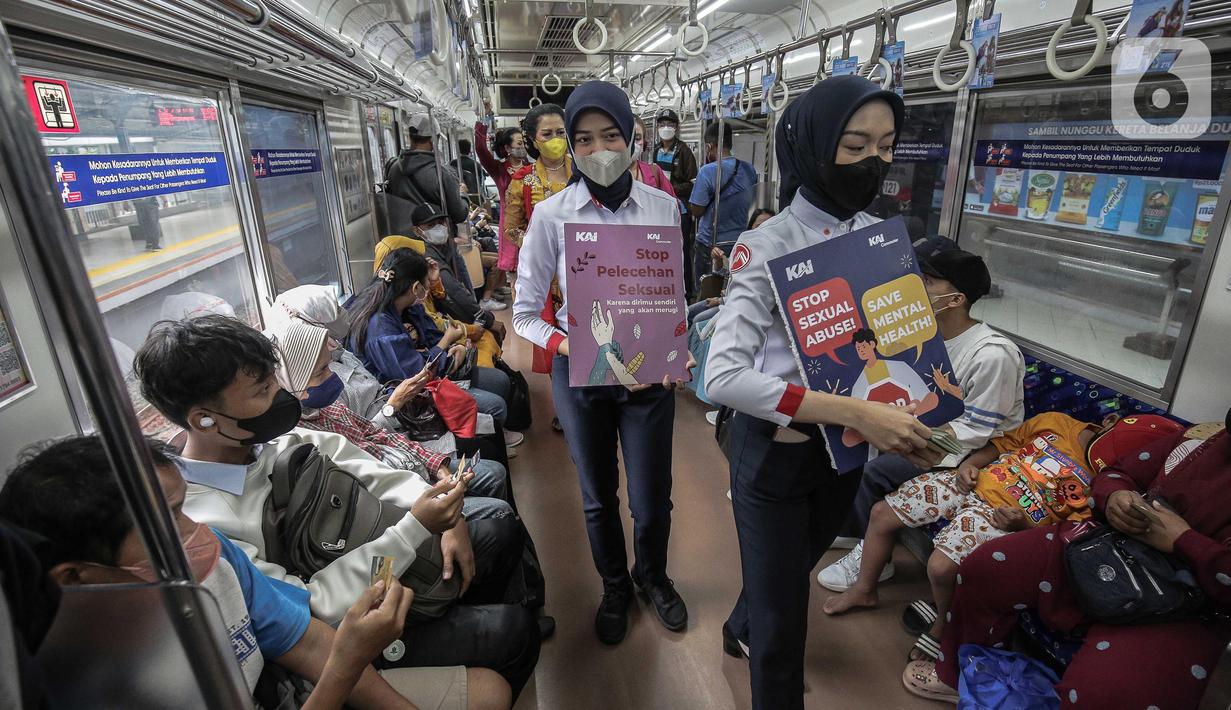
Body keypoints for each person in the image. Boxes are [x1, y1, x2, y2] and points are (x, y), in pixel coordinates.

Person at [131, 315, 541, 697]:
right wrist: (416, 528)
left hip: (384, 563)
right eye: (261, 392)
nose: (281, 395)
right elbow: (310, 610)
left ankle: (459, 607)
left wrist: (447, 518)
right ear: (205, 420)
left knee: (500, 533)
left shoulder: (283, 445)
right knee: (514, 634)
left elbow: (384, 476)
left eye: (274, 380)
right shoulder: (205, 526)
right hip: (350, 623)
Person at [703, 75, 934, 710]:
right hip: (778, 452)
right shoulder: (765, 245)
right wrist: (853, 410)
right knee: (784, 628)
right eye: (855, 146)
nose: (873, 164)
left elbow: (888, 346)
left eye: (886, 148)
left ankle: (738, 623)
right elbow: (720, 378)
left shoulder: (880, 238)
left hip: (846, 455)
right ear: (811, 147)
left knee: (787, 570)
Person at [0, 435, 514, 710]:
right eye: (165, 524)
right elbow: (328, 650)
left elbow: (309, 644)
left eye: (182, 505)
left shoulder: (215, 560)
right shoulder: (91, 682)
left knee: (492, 690)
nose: (196, 530)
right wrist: (349, 660)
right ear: (76, 577)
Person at [513, 80, 690, 645]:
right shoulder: (550, 216)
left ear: (632, 137)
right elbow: (523, 315)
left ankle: (653, 577)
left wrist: (673, 347)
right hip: (581, 371)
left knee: (651, 498)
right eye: (583, 140)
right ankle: (615, 584)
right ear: (568, 145)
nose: (599, 150)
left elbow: (676, 297)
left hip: (646, 374)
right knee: (597, 497)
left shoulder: (664, 208)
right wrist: (574, 347)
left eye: (610, 135)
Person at [904, 416, 1230, 709]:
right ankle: (961, 673)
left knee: (1105, 690)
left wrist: (1183, 541)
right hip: (1115, 543)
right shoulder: (1203, 437)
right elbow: (1119, 472)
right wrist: (1115, 496)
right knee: (985, 567)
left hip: (1196, 599)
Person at [823, 413, 1184, 661]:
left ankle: (943, 626)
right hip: (973, 482)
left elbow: (1068, 530)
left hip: (1005, 516)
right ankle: (865, 589)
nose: (1098, 461)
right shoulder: (1057, 423)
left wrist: (1022, 527)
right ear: (1108, 421)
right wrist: (971, 464)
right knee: (883, 513)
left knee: (940, 567)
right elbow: (1003, 443)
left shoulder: (1107, 482)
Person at [819, 241, 1025, 592]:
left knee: (877, 469)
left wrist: (907, 434)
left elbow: (978, 428)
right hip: (928, 431)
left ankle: (874, 559)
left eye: (928, 282)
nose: (918, 286)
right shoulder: (927, 338)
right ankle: (851, 526)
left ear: (956, 300)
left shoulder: (992, 354)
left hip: (975, 451)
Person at [267, 314, 514, 520]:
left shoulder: (329, 407)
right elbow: (372, 481)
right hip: (401, 495)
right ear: (293, 379)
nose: (333, 377)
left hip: (409, 453)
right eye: (322, 370)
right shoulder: (303, 440)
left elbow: (378, 435)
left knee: (493, 466)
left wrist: (437, 467)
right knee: (497, 509)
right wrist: (393, 405)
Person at [346, 247, 522, 450]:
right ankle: (486, 441)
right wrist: (447, 344)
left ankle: (493, 435)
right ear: (415, 288)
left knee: (498, 380)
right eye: (425, 283)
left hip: (434, 368)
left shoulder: (405, 306)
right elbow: (416, 374)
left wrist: (454, 346)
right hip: (409, 396)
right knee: (495, 405)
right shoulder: (381, 330)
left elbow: (431, 336)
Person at [408, 203, 508, 350]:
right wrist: (485, 319)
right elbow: (453, 291)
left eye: (441, 223)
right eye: (430, 225)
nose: (439, 228)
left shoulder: (446, 246)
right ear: (417, 231)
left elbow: (461, 283)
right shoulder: (427, 255)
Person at [500, 103, 571, 279]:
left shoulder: (585, 173)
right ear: (533, 140)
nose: (556, 139)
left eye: (560, 132)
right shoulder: (522, 180)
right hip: (543, 267)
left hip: (584, 261)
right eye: (547, 134)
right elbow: (511, 229)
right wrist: (539, 245)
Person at [689, 122, 757, 292]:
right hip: (739, 241)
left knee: (706, 292)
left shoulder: (708, 171)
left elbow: (697, 210)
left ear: (709, 146)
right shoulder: (749, 169)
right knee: (732, 289)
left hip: (711, 244)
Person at [385, 112, 469, 234]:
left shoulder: (392, 168)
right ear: (433, 140)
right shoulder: (442, 174)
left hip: (403, 238)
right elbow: (459, 215)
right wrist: (463, 195)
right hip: (435, 243)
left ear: (410, 137)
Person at [473, 120, 528, 303]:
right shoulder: (500, 169)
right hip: (510, 223)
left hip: (531, 220)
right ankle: (520, 307)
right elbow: (482, 152)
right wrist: (481, 129)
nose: (523, 147)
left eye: (524, 143)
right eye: (519, 143)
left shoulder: (532, 168)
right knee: (514, 270)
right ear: (508, 148)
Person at [651, 108, 699, 300]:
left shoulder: (684, 152)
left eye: (669, 124)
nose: (666, 128)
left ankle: (686, 292)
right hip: (659, 210)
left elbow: (693, 183)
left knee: (682, 251)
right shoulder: (655, 151)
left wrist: (669, 189)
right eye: (662, 124)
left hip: (681, 210)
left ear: (676, 128)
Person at [629, 116, 675, 195]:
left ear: (644, 143)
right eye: (627, 138)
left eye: (637, 138)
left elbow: (673, 204)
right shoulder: (605, 176)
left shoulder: (655, 172)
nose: (632, 144)